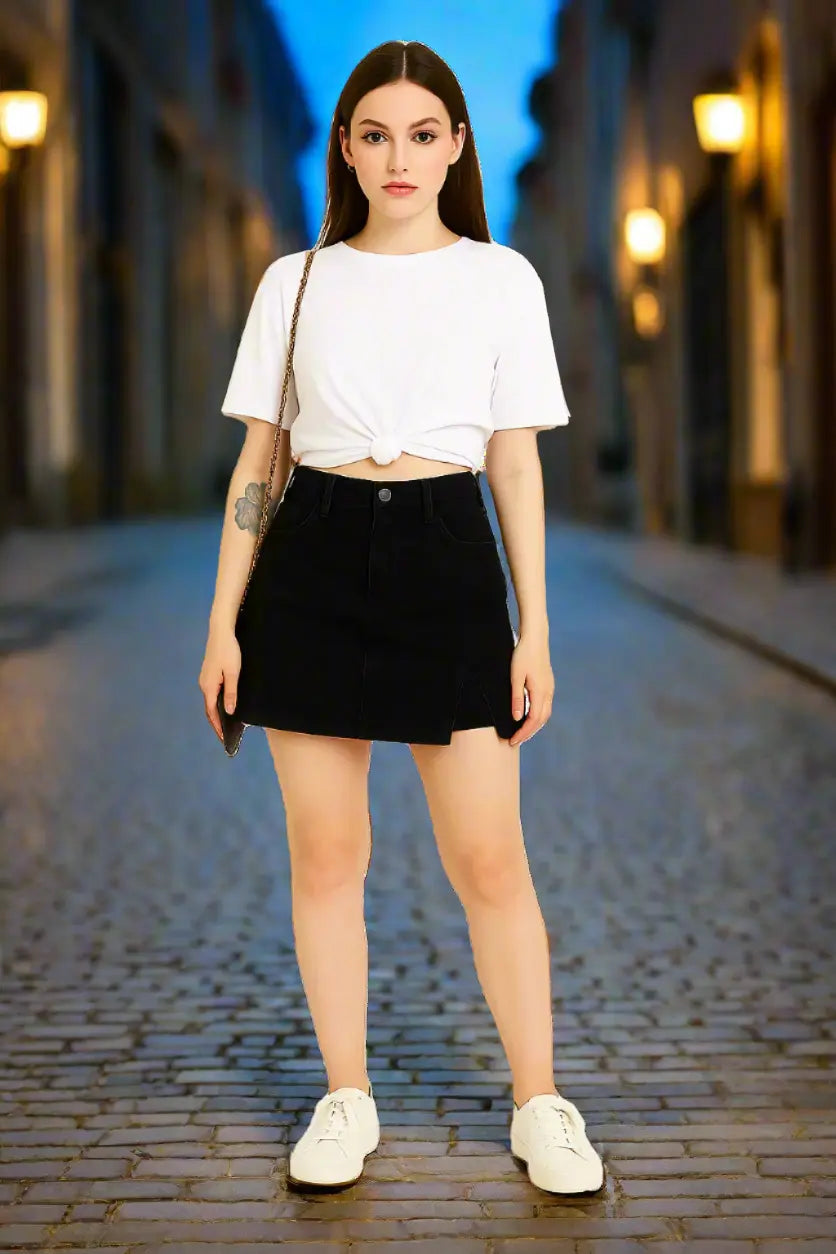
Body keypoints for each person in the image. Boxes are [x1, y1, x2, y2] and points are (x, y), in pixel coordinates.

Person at [199, 39, 605, 1198]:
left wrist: (532, 630)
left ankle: (540, 1102)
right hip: (311, 557)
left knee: (489, 857)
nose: (399, 157)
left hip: (446, 557)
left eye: (423, 134)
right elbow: (259, 464)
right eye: (374, 133)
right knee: (328, 857)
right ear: (344, 145)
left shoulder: (499, 278)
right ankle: (345, 1095)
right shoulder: (297, 281)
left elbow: (515, 466)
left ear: (457, 146)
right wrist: (221, 624)